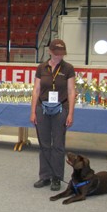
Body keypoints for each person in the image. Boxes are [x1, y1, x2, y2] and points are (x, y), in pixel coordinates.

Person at [30, 39, 75, 191]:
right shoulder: (41, 68)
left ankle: (57, 177)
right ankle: (45, 176)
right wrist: (33, 111)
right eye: (56, 54)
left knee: (58, 145)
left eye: (61, 54)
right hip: (42, 108)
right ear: (50, 52)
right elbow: (36, 90)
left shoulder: (68, 68)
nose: (59, 57)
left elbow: (71, 91)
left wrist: (70, 113)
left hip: (61, 109)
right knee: (44, 144)